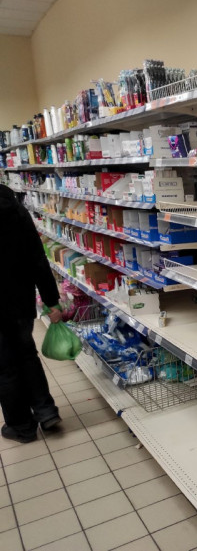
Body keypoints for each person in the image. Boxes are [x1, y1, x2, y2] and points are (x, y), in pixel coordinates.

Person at [0, 184, 62, 443]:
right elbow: (37, 258)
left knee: (6, 367)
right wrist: (51, 300)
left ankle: (21, 426)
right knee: (27, 355)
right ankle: (46, 411)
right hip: (20, 301)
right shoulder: (14, 208)